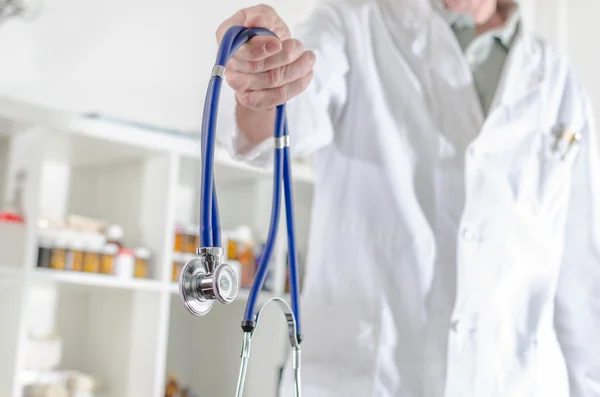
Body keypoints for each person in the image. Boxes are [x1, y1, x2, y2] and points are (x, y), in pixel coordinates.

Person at [215, 0, 600, 396]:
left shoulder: (557, 80)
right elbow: (285, 117)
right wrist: (262, 76)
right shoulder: (354, 24)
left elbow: (583, 282)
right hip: (367, 380)